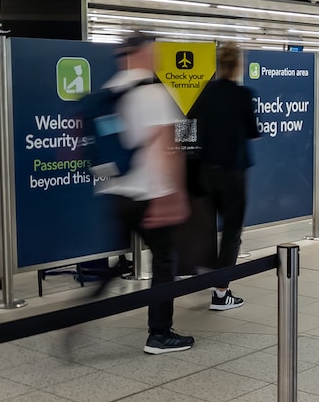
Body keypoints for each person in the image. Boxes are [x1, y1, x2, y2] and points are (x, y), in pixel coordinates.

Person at [98, 34, 195, 354]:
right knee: (165, 261)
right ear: (143, 53)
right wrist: (176, 195)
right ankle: (159, 333)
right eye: (153, 52)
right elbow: (172, 148)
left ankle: (83, 309)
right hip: (150, 193)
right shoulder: (155, 92)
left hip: (117, 192)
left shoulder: (111, 90)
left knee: (119, 262)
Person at [188, 43, 260, 311]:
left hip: (206, 172)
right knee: (231, 231)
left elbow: (187, 127)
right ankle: (220, 292)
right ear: (238, 65)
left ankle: (208, 273)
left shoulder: (205, 91)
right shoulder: (242, 94)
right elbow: (253, 131)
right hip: (233, 173)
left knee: (208, 227)